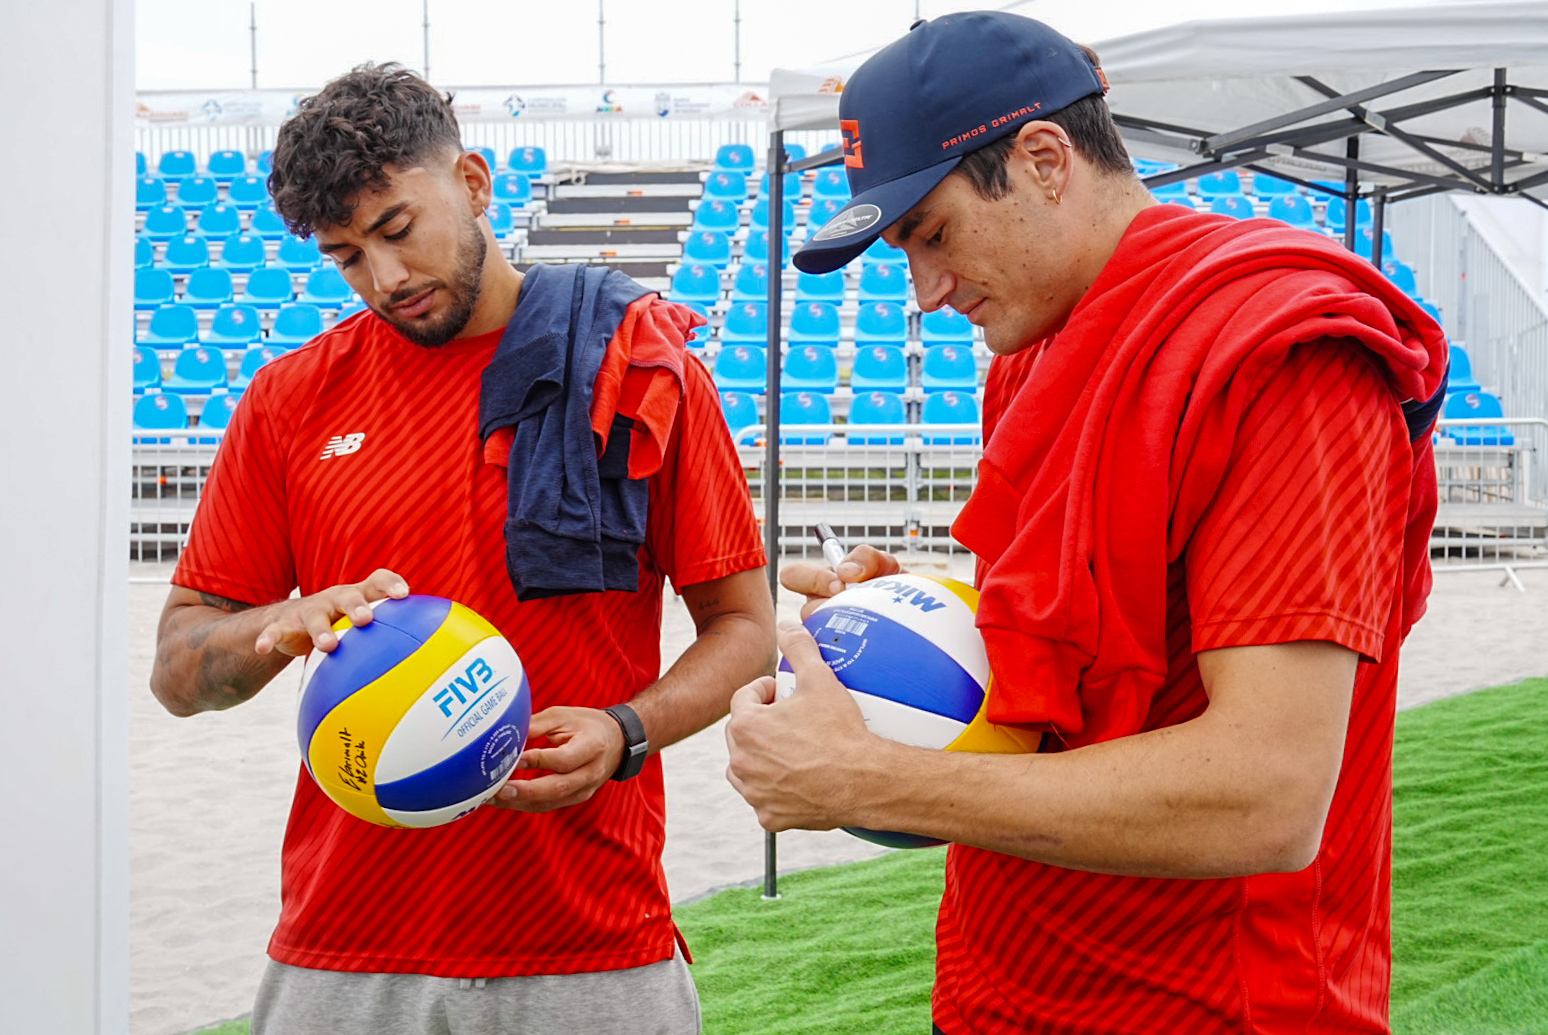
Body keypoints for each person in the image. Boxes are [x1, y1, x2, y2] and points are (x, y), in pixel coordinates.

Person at [725, 12, 1447, 1035]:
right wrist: (933, 615)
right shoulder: (1033, 350)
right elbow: (1100, 639)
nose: (926, 291)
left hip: (1210, 1006)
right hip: (1002, 977)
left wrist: (873, 781)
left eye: (932, 233)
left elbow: (1269, 795)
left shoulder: (1281, 358)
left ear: (1044, 159)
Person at [150, 63, 774, 1035]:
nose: (385, 279)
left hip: (591, 941)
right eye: (347, 257)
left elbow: (744, 629)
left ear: (474, 183)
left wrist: (627, 729)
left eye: (398, 229)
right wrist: (283, 624)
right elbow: (178, 674)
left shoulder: (640, 367)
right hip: (342, 948)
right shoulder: (287, 401)